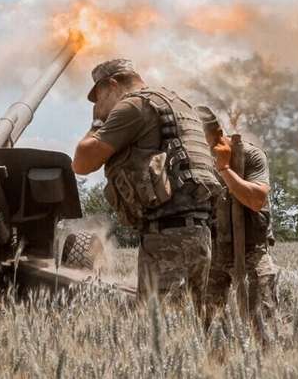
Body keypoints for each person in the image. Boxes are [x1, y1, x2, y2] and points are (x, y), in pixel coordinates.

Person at [72, 59, 221, 309]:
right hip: (200, 234)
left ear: (112, 84)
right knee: (191, 329)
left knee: (160, 331)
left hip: (167, 238)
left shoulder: (133, 106)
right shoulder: (179, 104)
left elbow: (82, 163)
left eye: (98, 97)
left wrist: (97, 122)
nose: (98, 105)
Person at [195, 106, 278, 330]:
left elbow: (256, 200)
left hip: (252, 250)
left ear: (218, 134)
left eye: (205, 142)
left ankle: (267, 361)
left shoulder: (250, 155)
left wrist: (224, 169)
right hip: (215, 251)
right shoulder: (197, 160)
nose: (202, 149)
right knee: (206, 323)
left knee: (262, 321)